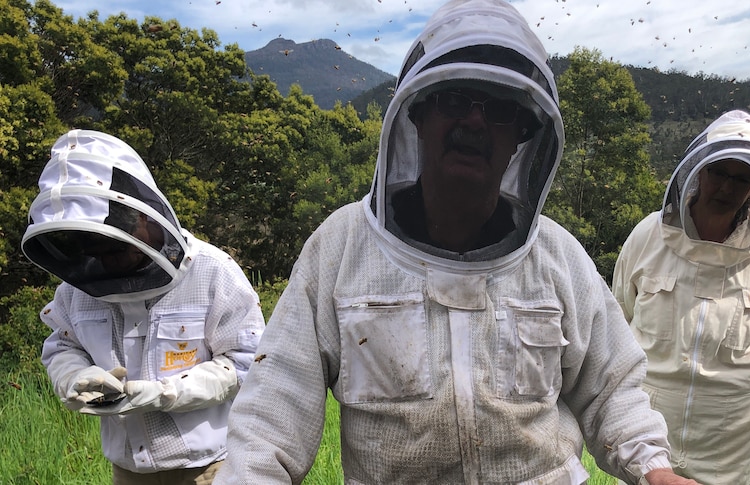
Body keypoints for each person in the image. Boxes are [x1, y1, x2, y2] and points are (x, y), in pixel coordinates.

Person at [216, 1, 698, 484]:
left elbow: (611, 387)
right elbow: (272, 412)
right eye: (454, 100)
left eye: (501, 109)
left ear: (522, 138)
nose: (473, 122)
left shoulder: (558, 255)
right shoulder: (340, 248)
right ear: (417, 115)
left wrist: (655, 469)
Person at [21, 129, 265, 485]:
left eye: (116, 250)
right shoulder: (78, 289)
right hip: (128, 471)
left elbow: (246, 361)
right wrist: (73, 375)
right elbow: (62, 345)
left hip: (209, 469)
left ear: (146, 219)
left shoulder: (213, 272)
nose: (109, 264)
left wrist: (165, 393)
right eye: (96, 253)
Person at [612, 110, 750, 484]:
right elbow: (619, 320)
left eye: (741, 179)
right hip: (653, 431)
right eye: (719, 173)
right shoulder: (648, 236)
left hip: (731, 439)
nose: (727, 188)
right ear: (699, 171)